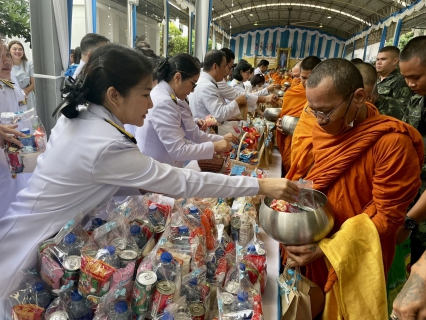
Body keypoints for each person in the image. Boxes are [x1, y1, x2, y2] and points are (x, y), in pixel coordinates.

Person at [0, 44, 300, 313]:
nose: (151, 103)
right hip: (28, 245)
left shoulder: (87, 115)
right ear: (114, 95)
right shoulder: (104, 143)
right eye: (145, 94)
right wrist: (259, 185)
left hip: (46, 234)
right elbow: (182, 181)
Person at [282, 58, 423, 319]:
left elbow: (386, 218)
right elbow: (309, 176)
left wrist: (326, 248)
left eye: (325, 111)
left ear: (358, 97)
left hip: (351, 258)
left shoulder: (392, 144)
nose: (319, 121)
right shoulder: (320, 125)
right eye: (314, 111)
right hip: (309, 246)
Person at [135, 53, 237, 167]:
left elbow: (190, 132)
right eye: (193, 84)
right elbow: (178, 150)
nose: (193, 90)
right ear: (178, 78)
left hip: (162, 164)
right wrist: (215, 146)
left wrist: (219, 140)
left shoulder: (169, 96)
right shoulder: (165, 101)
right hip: (155, 167)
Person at [392, 35, 426, 320]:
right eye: (406, 78)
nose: (410, 84)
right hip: (415, 191)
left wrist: (411, 219)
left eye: (416, 76)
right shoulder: (417, 100)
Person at [0, 42, 31, 219]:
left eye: (7, 55)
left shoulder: (10, 81)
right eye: (1, 57)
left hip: (13, 151)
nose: (6, 61)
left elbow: (19, 108)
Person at [276, 56, 321, 176]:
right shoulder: (292, 93)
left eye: (310, 78)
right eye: (303, 78)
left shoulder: (324, 97)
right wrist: (280, 123)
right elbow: (284, 115)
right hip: (292, 142)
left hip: (312, 150)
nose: (306, 82)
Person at [8, 40, 36, 110]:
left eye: (20, 49)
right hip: (13, 97)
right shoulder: (6, 66)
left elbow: (34, 83)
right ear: (9, 51)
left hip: (28, 96)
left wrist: (24, 93)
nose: (18, 51)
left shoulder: (29, 64)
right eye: (14, 49)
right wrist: (18, 94)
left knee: (30, 117)